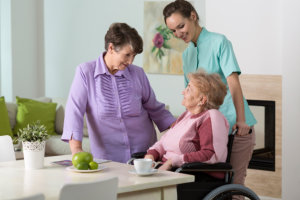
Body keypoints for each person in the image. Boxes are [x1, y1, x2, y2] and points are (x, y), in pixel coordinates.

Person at [162, 0, 257, 188]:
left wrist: (241, 120)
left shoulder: (219, 42)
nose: (178, 33)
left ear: (193, 16)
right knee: (210, 188)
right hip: (208, 133)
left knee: (234, 188)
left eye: (181, 26)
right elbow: (191, 100)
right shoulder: (187, 55)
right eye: (173, 31)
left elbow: (234, 83)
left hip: (236, 127)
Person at [61, 23, 176, 163]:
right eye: (127, 55)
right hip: (108, 158)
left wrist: (182, 128)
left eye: (134, 55)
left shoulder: (137, 73)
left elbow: (155, 108)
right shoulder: (86, 73)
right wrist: (76, 149)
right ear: (111, 48)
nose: (131, 61)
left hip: (144, 156)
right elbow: (74, 112)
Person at [145, 70, 229, 179]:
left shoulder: (212, 117)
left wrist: (172, 162)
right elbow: (163, 142)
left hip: (195, 175)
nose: (183, 92)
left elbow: (211, 154)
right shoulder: (186, 115)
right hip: (169, 170)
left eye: (189, 89)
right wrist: (150, 157)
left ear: (202, 100)